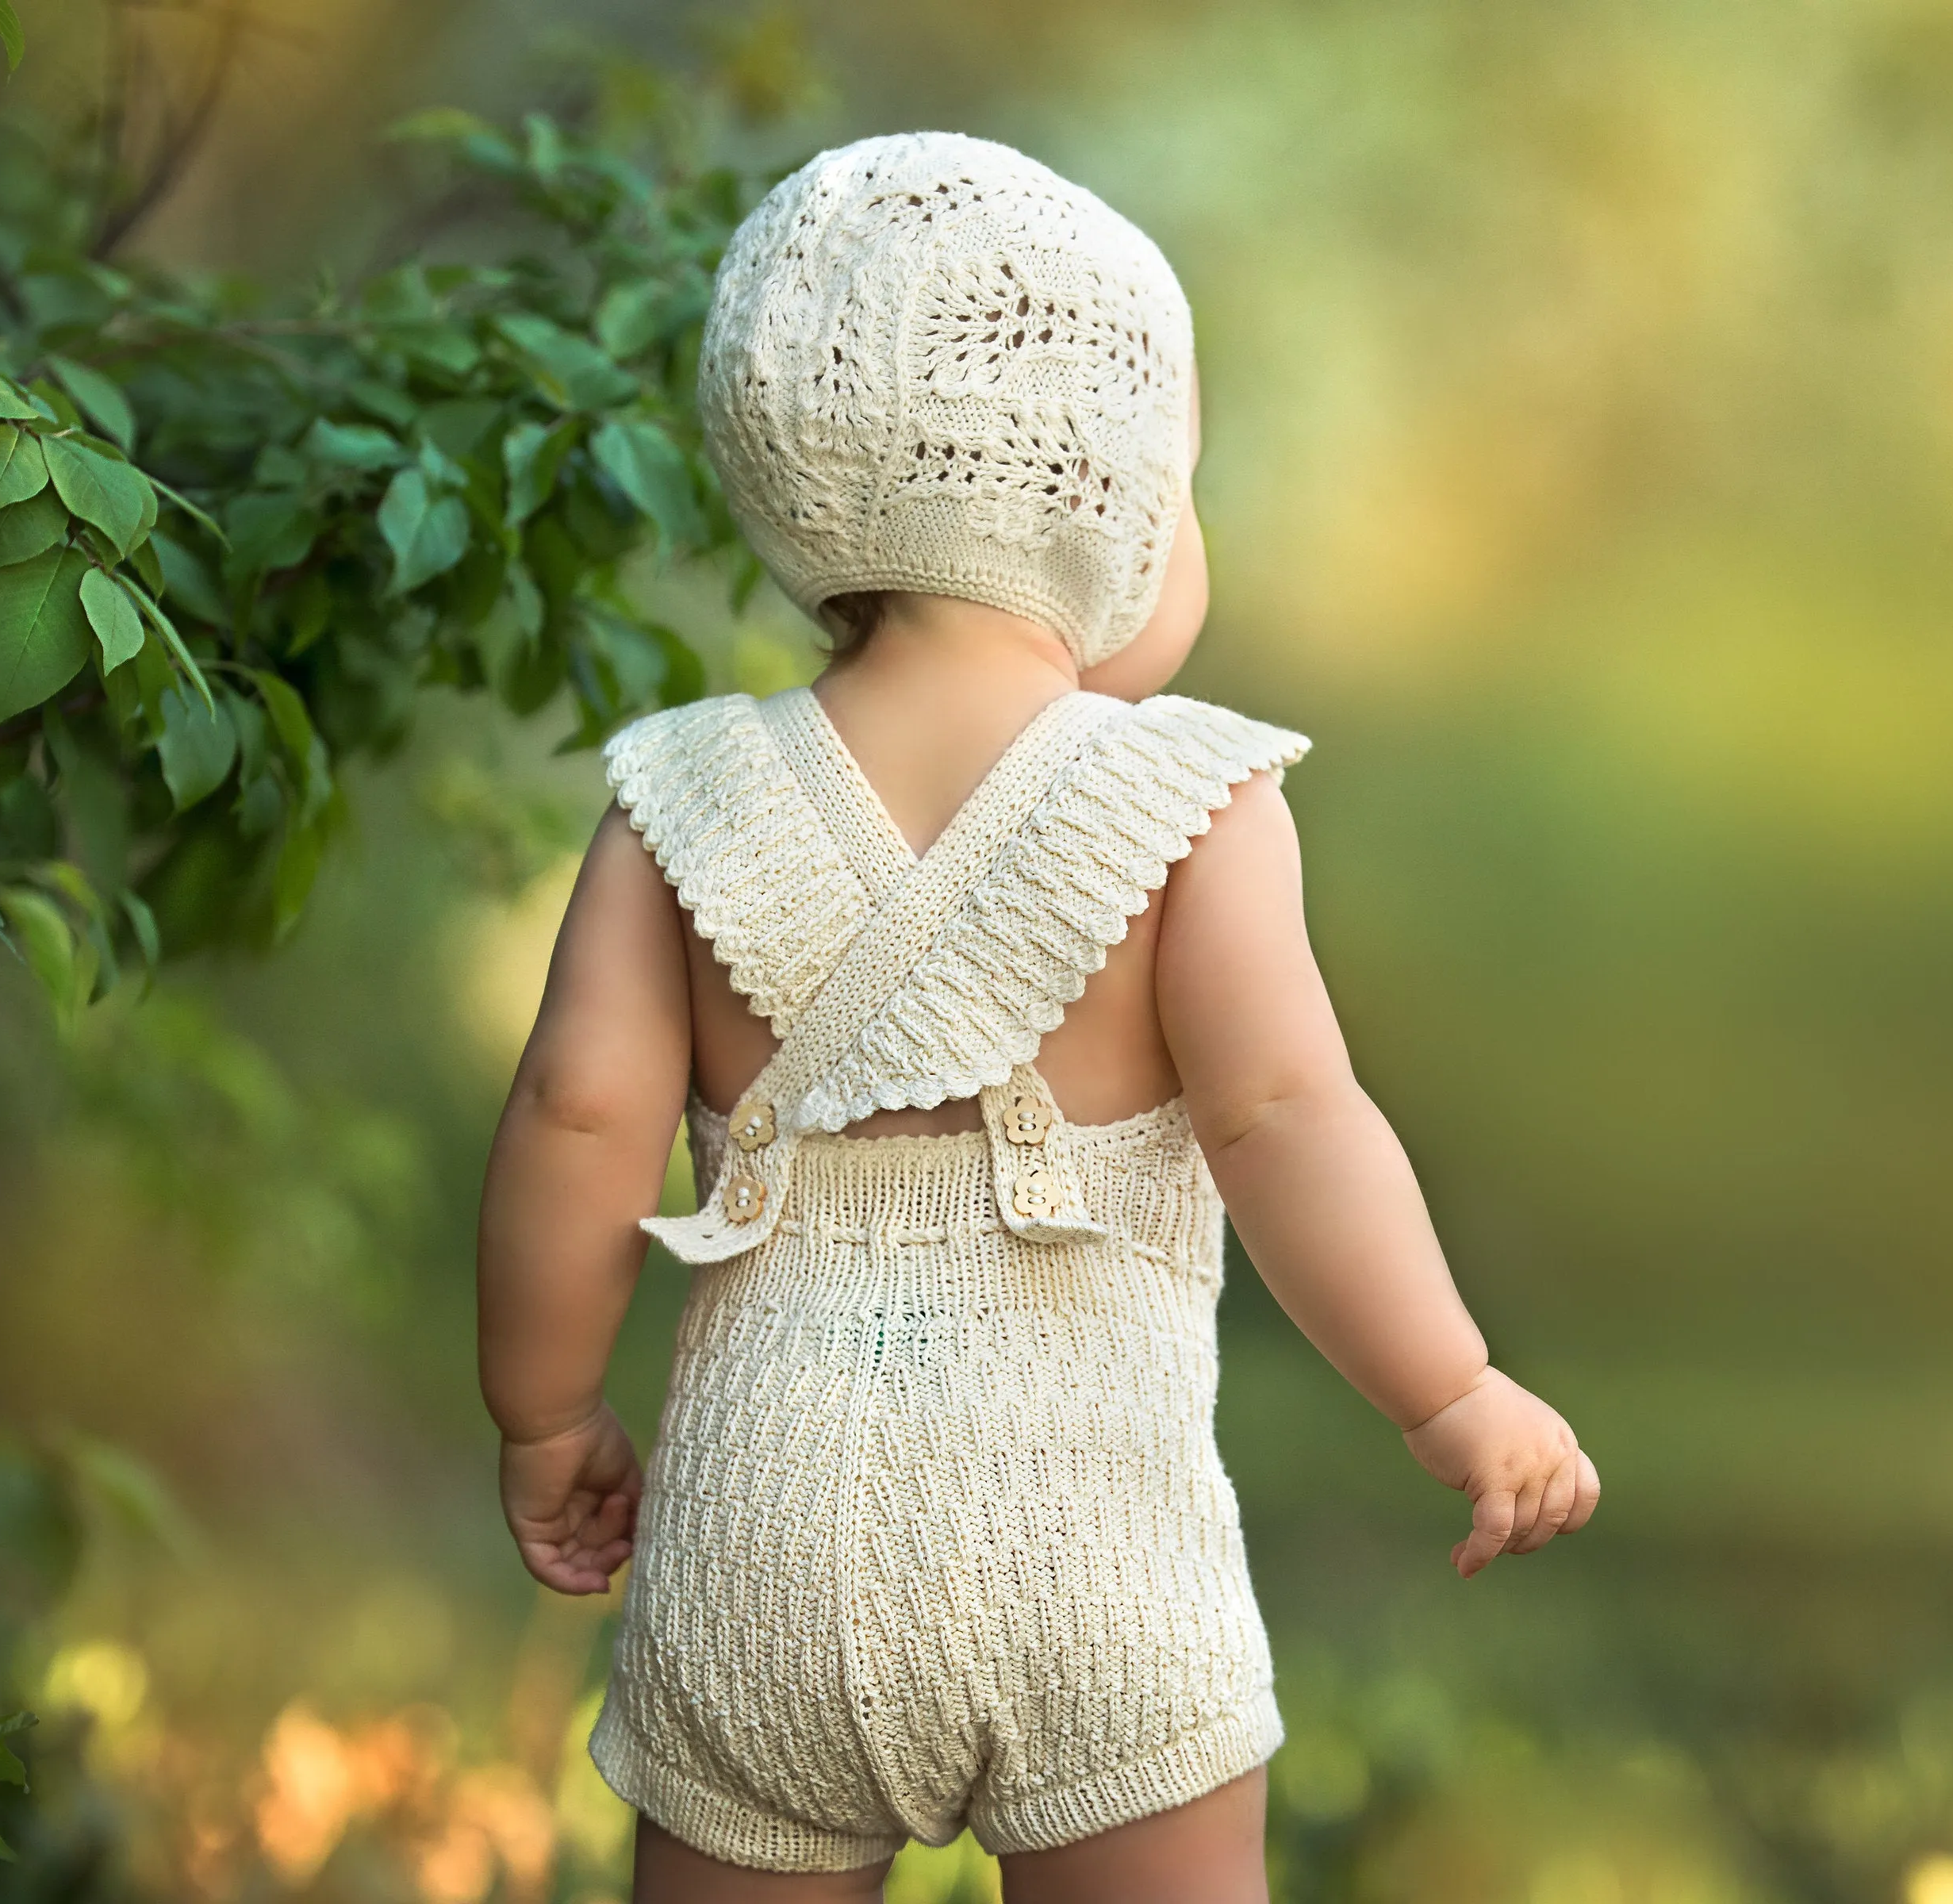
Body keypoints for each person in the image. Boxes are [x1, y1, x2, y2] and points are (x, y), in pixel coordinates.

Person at [477, 130, 1598, 1904]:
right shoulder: (1189, 800)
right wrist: (1447, 1387)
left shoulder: (682, 796)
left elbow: (573, 1117)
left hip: (761, 1539)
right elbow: (1289, 1119)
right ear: (1101, 503)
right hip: (1090, 1556)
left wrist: (545, 1418)